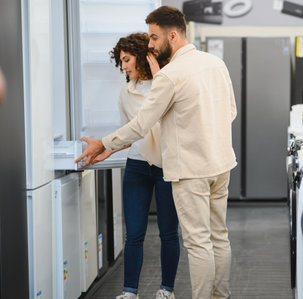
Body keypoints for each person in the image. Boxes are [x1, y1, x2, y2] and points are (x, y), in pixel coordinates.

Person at [76, 6, 237, 299]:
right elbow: (230, 112)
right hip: (221, 163)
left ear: (172, 35)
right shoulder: (216, 64)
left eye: (153, 37)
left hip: (190, 170)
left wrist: (103, 143)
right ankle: (220, 296)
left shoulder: (170, 75)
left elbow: (140, 125)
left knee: (198, 243)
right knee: (219, 237)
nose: (149, 44)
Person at [100, 33, 180, 299]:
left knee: (168, 232)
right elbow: (129, 132)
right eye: (121, 61)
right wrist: (104, 149)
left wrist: (159, 75)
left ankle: (166, 290)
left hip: (167, 166)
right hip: (136, 165)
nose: (123, 66)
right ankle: (129, 292)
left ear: (142, 56)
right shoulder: (127, 92)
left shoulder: (166, 82)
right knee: (134, 233)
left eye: (126, 59)